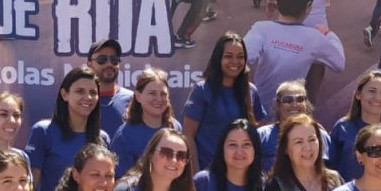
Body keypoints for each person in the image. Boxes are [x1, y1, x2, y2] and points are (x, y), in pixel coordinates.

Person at [245, 0, 345, 113]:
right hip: (291, 115)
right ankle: (309, 111)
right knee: (317, 64)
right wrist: (328, 34)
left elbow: (244, 56)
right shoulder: (314, 37)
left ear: (278, 0)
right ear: (309, 6)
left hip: (259, 111)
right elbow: (339, 64)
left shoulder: (261, 28)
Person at [181, 32, 267, 173]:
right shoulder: (203, 89)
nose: (235, 61)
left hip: (242, 176)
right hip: (208, 175)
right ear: (218, 58)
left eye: (240, 57)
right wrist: (194, 173)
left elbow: (258, 134)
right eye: (228, 56)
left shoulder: (251, 91)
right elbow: (188, 135)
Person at [26, 66, 109, 191]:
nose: (88, 97)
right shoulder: (43, 131)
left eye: (93, 93)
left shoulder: (103, 138)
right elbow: (31, 186)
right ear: (65, 94)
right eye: (80, 91)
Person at [112, 68, 182, 177]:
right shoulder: (125, 134)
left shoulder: (175, 127)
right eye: (152, 93)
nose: (159, 99)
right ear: (138, 96)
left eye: (163, 94)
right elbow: (119, 179)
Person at [257, 80, 331, 173]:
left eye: (300, 99)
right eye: (288, 100)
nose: (295, 105)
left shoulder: (320, 136)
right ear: (277, 104)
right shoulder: (262, 135)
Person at [87, 38, 133, 136]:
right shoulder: (80, 99)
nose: (109, 64)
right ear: (89, 64)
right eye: (102, 59)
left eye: (114, 60)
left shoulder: (132, 99)